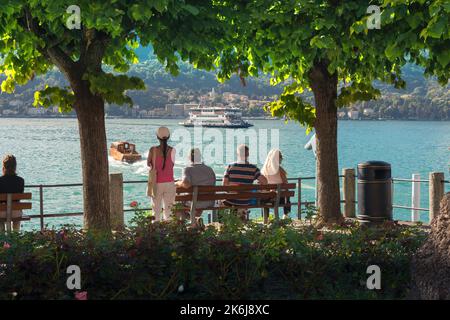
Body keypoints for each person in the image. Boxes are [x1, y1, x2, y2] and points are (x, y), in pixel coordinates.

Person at [223, 144, 267, 221]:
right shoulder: (253, 168)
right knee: (240, 203)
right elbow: (265, 182)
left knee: (219, 202)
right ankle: (241, 219)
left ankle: (224, 223)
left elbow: (224, 185)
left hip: (230, 200)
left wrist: (231, 190)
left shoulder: (230, 166)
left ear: (237, 154)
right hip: (245, 200)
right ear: (248, 154)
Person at [175, 148, 216, 226]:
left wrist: (177, 183)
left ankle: (183, 226)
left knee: (176, 205)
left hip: (194, 202)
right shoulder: (210, 169)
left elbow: (186, 184)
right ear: (200, 157)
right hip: (209, 202)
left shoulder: (188, 169)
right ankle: (195, 220)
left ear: (189, 158)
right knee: (196, 199)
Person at [147, 127, 176, 222]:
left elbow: (148, 164)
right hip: (170, 183)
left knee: (156, 210)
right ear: (169, 137)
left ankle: (156, 231)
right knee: (169, 210)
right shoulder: (173, 150)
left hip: (157, 183)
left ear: (157, 137)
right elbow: (172, 164)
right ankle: (169, 231)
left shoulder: (152, 150)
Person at [261, 149, 291, 218]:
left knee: (264, 194)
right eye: (281, 157)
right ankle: (285, 215)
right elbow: (286, 184)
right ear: (278, 158)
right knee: (287, 194)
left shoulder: (264, 170)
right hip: (280, 199)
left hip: (267, 199)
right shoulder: (280, 170)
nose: (282, 159)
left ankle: (266, 217)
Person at [0, 154, 25, 232]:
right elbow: (19, 197)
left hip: (1, 211)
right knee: (16, 218)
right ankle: (15, 236)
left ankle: (2, 238)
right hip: (16, 211)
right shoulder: (21, 180)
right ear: (15, 167)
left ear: (4, 166)